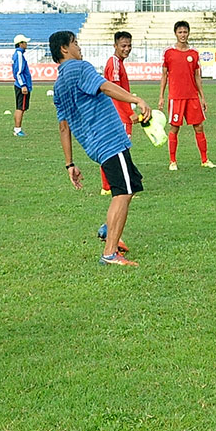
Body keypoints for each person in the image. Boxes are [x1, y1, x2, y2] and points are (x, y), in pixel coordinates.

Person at [50, 30, 153, 267]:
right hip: (108, 140)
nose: (79, 47)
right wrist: (137, 100)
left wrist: (70, 164)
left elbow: (63, 127)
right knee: (123, 192)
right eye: (75, 43)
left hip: (95, 145)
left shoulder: (59, 84)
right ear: (64, 49)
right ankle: (110, 253)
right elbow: (105, 87)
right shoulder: (79, 67)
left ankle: (110, 227)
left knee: (132, 183)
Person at [158, 20, 216, 170]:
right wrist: (161, 97)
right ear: (175, 34)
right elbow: (164, 75)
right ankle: (172, 161)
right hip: (176, 97)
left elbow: (197, 76)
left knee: (199, 127)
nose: (183, 35)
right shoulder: (168, 53)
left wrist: (202, 97)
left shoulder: (194, 53)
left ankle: (204, 159)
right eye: (180, 32)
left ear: (188, 33)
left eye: (185, 32)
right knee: (174, 129)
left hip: (192, 97)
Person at [100, 31, 135, 196]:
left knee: (115, 147)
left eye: (129, 45)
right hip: (119, 114)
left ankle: (109, 185)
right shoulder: (114, 63)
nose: (127, 49)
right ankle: (108, 186)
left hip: (118, 113)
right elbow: (115, 92)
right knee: (117, 148)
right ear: (115, 46)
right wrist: (129, 113)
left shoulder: (118, 62)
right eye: (123, 46)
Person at [11, 33, 32, 136]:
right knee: (21, 108)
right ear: (20, 44)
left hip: (20, 84)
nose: (26, 44)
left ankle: (17, 129)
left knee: (20, 107)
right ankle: (17, 130)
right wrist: (23, 85)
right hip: (21, 85)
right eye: (25, 42)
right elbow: (18, 72)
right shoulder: (19, 55)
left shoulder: (18, 54)